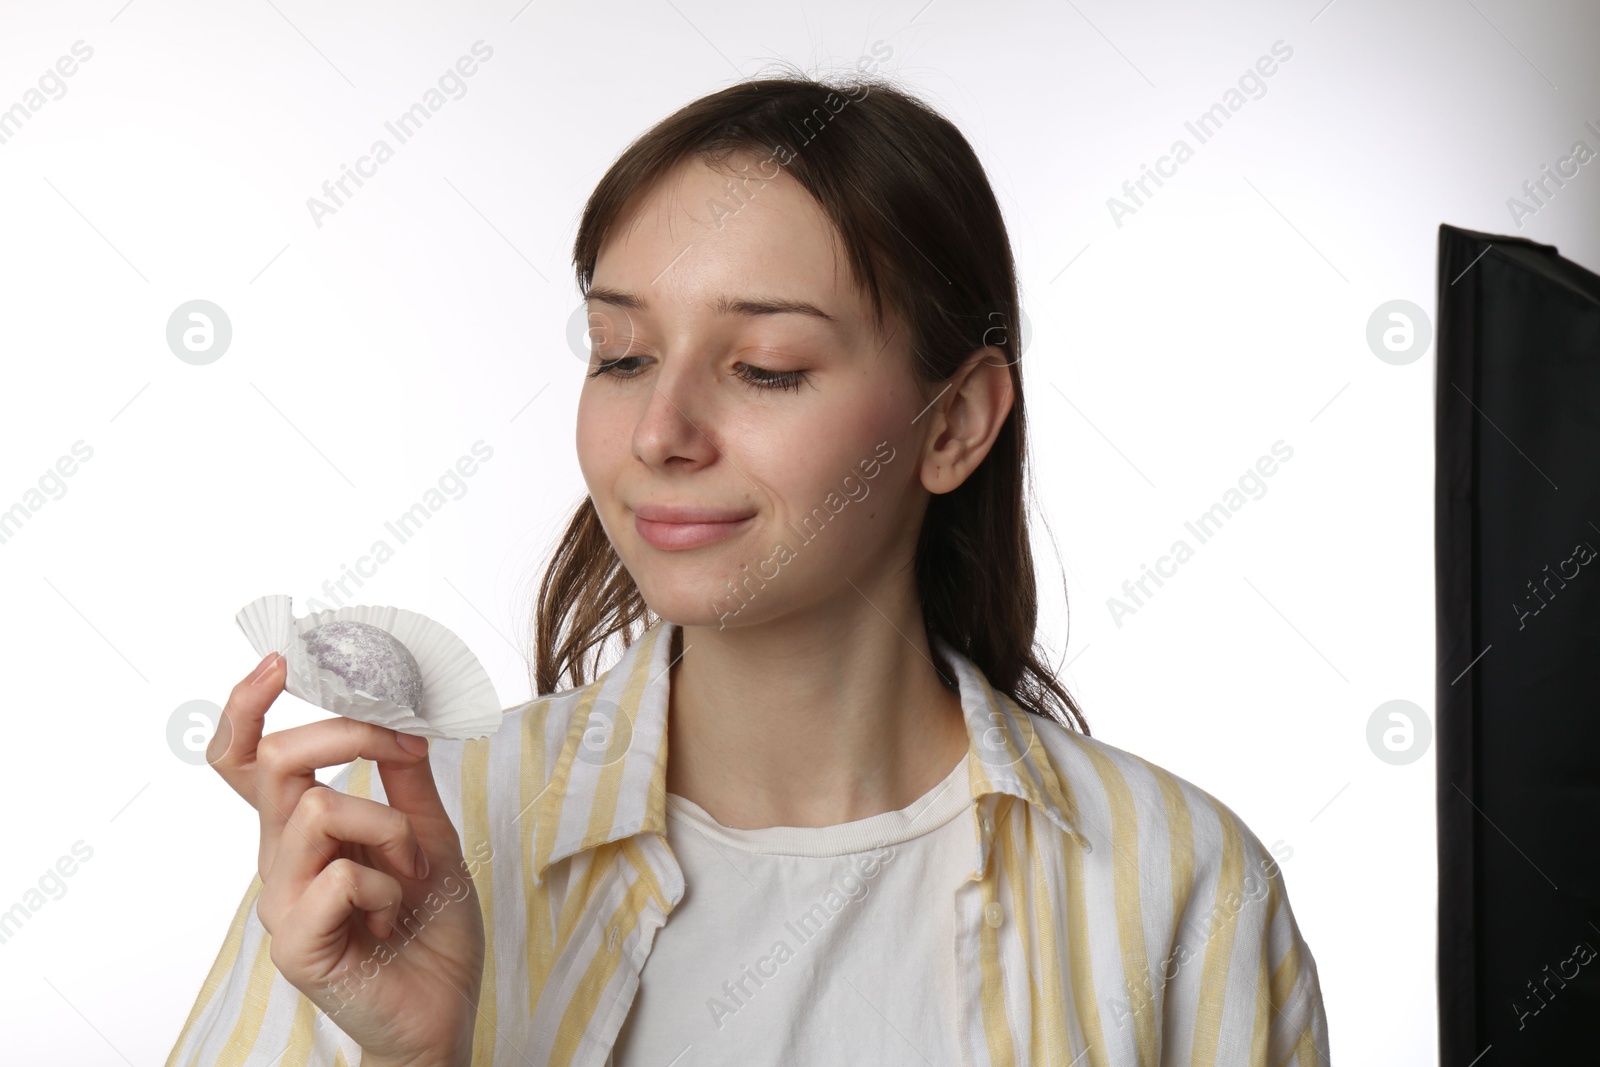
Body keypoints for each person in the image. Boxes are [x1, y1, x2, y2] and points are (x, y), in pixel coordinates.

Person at [168, 70, 1330, 1067]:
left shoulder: (1182, 883)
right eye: (621, 355)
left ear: (954, 425)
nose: (660, 431)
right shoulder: (409, 840)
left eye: (766, 366)